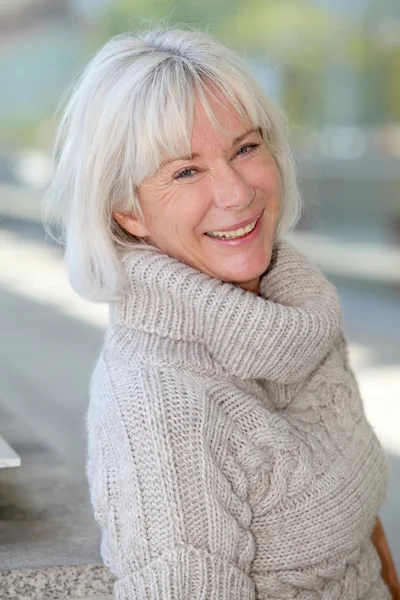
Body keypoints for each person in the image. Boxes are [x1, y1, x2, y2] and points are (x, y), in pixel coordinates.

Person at [44, 26, 399, 600]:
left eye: (245, 148)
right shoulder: (160, 409)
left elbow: (360, 529)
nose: (236, 192)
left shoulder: (296, 310)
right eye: (186, 171)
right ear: (127, 212)